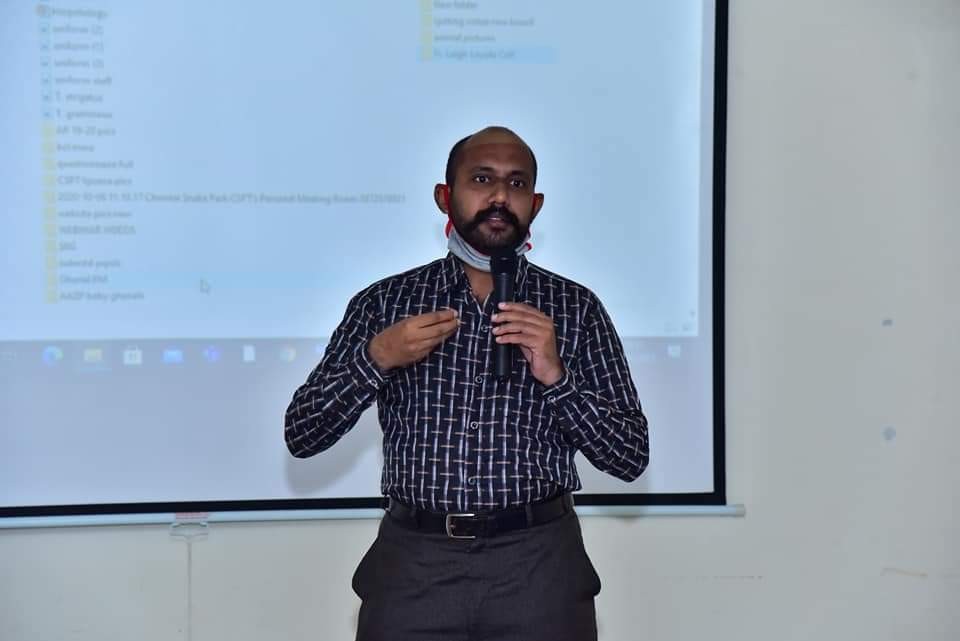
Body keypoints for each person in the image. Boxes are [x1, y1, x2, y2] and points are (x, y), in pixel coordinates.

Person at [284, 126, 649, 641]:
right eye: (482, 179)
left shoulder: (576, 309)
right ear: (445, 196)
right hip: (415, 566)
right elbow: (302, 434)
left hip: (538, 566)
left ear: (536, 205)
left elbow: (630, 456)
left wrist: (556, 376)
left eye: (517, 184)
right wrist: (377, 358)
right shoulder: (385, 303)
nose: (500, 197)